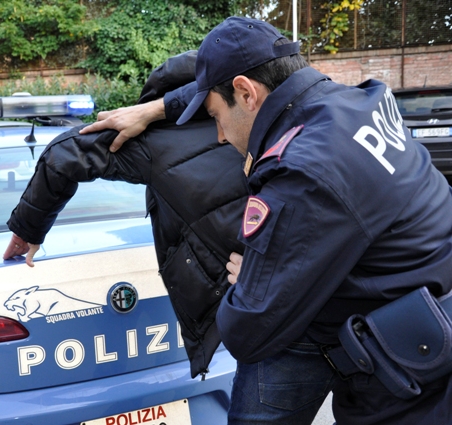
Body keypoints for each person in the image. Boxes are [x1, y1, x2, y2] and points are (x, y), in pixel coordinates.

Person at [79, 16, 452, 425]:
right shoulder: (356, 100)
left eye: (216, 116)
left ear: (246, 92)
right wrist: (154, 109)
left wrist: (258, 278)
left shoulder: (304, 172)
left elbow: (245, 330)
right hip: (417, 322)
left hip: (399, 382)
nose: (220, 136)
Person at [3, 53, 249, 379]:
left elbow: (63, 154)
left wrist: (27, 230)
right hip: (256, 294)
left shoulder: (151, 142)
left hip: (231, 302)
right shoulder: (259, 114)